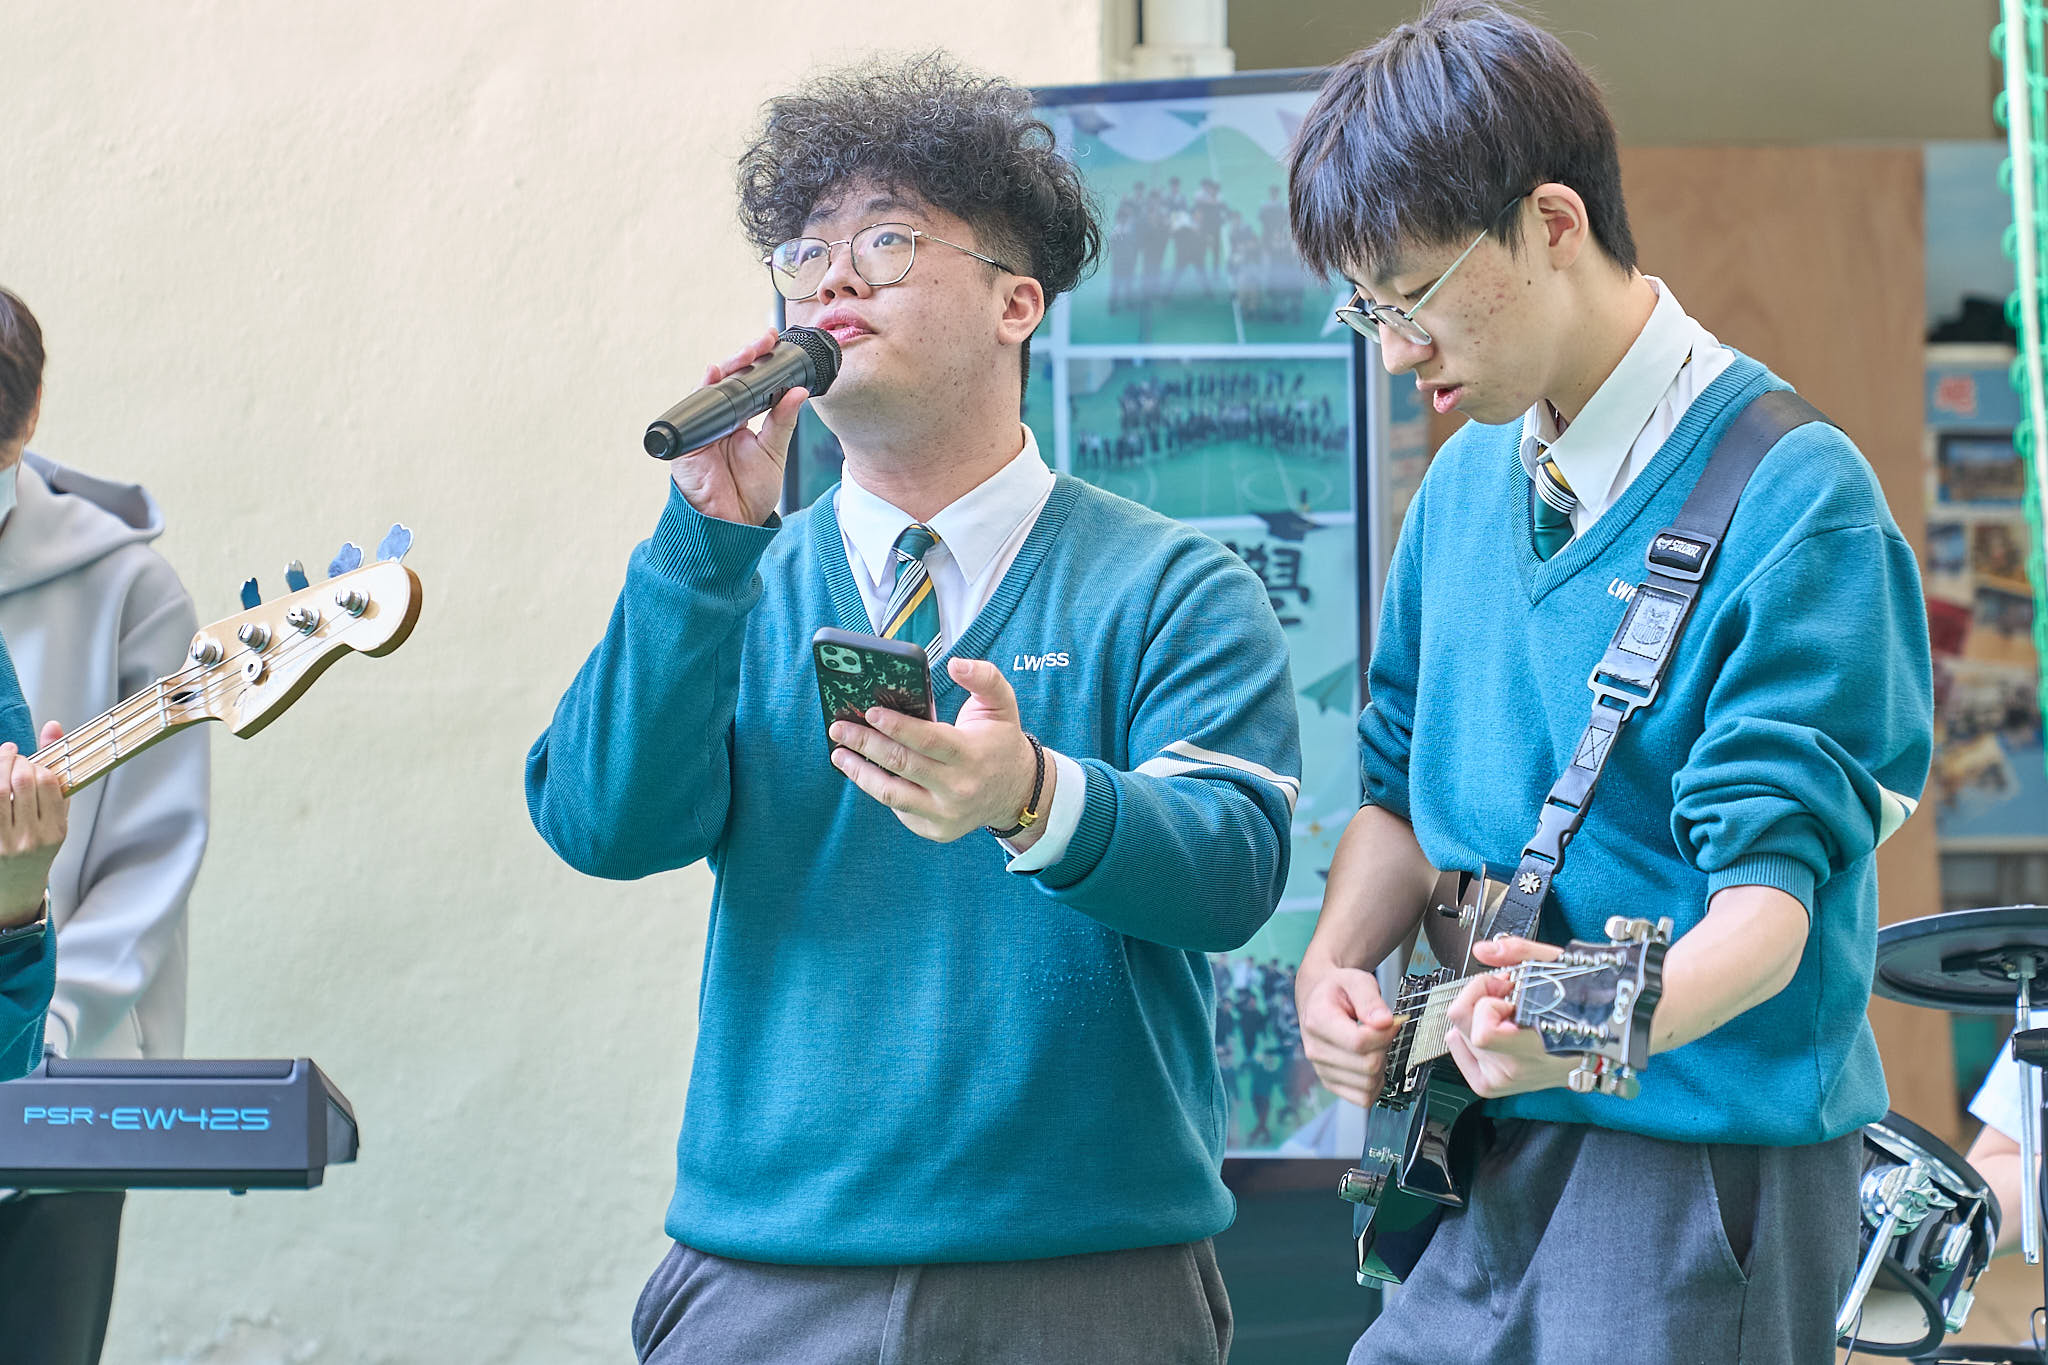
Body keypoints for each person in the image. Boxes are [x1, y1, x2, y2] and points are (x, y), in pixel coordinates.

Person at [525, 53, 1301, 1364]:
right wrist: (700, 544)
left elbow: (1232, 872)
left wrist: (1035, 798)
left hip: (1086, 1277)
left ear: (1016, 301)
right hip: (768, 1271)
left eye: (884, 242)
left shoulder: (1172, 583)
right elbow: (602, 825)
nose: (831, 279)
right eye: (804, 252)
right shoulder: (735, 578)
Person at [1282, 5, 1933, 1362]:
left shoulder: (1798, 498)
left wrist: (1579, 1026)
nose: (1393, 348)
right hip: (1467, 1144)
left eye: (1411, 293)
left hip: (1696, 1170)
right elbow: (1397, 795)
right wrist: (1333, 966)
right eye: (1365, 308)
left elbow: (1769, 911)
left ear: (1551, 223)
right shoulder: (1462, 484)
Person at [0, 287, 213, 1365]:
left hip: (59, 1088)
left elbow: (151, 857)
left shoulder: (127, 587)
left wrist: (46, 1027)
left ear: (28, 419)